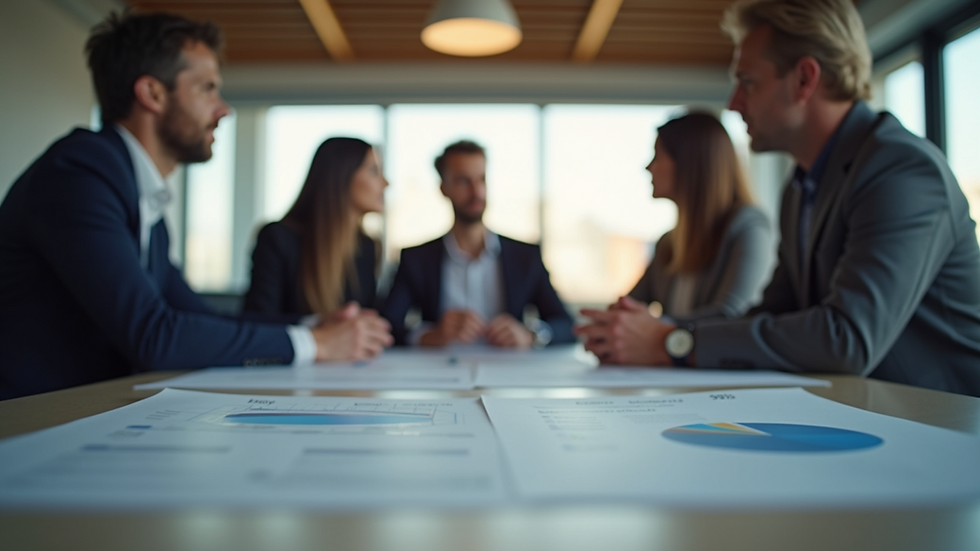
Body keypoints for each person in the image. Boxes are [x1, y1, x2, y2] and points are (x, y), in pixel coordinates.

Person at [578, 0, 980, 396]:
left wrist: (673, 342)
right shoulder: (801, 186)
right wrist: (654, 336)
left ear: (805, 79)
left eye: (747, 81)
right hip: (866, 416)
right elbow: (775, 313)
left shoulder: (900, 170)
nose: (733, 103)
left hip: (943, 429)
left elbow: (847, 339)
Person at [0, 12, 391, 400]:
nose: (224, 109)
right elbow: (153, 336)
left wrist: (315, 324)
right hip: (30, 427)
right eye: (207, 89)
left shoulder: (141, 198)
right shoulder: (79, 175)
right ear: (152, 94)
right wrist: (314, 343)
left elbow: (200, 318)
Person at [381, 140, 575, 348]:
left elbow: (566, 325)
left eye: (481, 179)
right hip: (439, 374)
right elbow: (386, 326)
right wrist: (430, 335)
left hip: (509, 373)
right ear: (444, 188)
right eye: (464, 181)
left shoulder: (525, 256)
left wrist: (531, 335)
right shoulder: (416, 259)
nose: (477, 191)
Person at [626, 112, 774, 323]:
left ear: (690, 163)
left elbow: (731, 317)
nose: (649, 167)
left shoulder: (748, 227)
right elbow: (632, 305)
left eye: (657, 156)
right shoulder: (668, 244)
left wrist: (651, 331)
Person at [244, 138, 384, 318]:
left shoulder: (367, 247)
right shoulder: (278, 238)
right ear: (341, 176)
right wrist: (320, 327)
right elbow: (258, 319)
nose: (385, 183)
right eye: (374, 171)